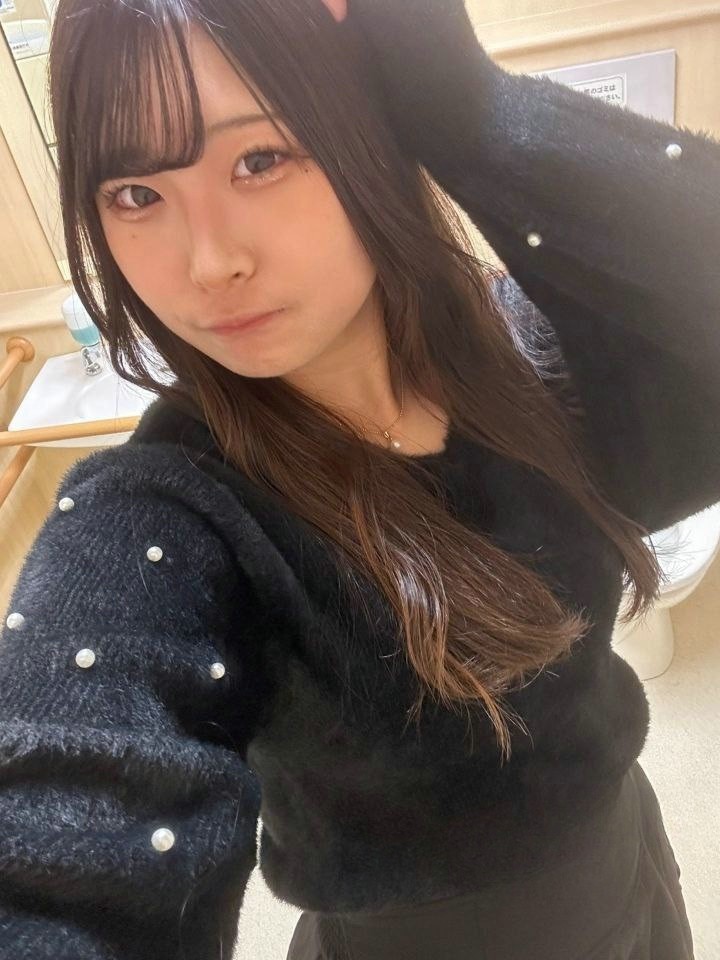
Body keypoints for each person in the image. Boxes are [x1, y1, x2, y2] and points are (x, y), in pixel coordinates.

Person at [0, 0, 717, 956]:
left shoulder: (528, 360)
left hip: (629, 863)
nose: (210, 261)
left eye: (260, 159)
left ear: (367, 137)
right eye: (135, 193)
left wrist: (469, 109)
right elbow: (66, 837)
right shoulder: (168, 509)